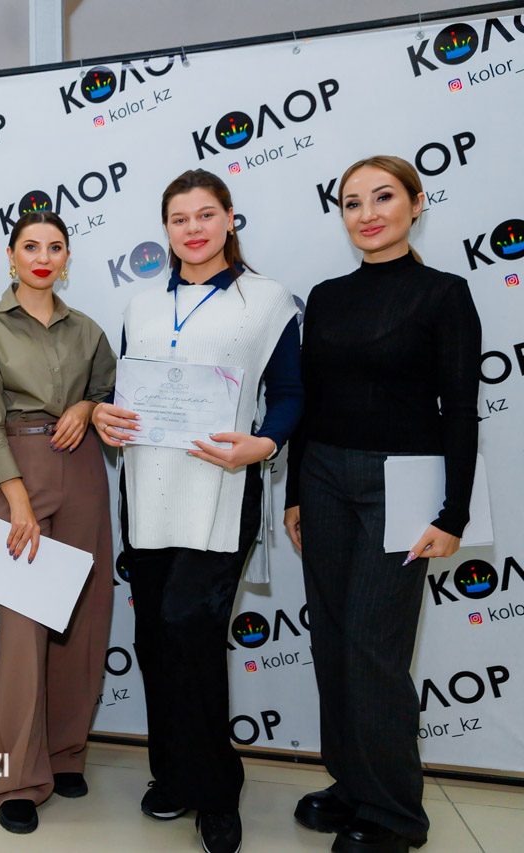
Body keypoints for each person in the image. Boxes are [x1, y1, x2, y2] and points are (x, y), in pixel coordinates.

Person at [94, 169, 302, 853]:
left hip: (222, 490)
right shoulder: (141, 305)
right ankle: (175, 774)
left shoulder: (266, 300)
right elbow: (129, 390)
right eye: (179, 218)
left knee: (192, 627)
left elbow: (290, 393)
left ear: (229, 218)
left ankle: (217, 791)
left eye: (206, 214)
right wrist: (108, 416)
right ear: (166, 228)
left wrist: (265, 442)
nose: (193, 228)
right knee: (154, 636)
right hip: (146, 490)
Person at [284, 156, 481, 853]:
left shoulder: (444, 294)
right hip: (324, 478)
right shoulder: (327, 295)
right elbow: (309, 400)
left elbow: (461, 409)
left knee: (374, 648)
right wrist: (296, 492)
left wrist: (454, 514)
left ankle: (396, 814)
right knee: (333, 639)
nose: (367, 214)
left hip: (404, 486)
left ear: (416, 204)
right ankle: (353, 784)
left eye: (383, 197)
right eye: (352, 202)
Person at [0, 210, 115, 834]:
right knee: (23, 631)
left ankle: (66, 754)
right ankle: (19, 779)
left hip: (82, 468)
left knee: (82, 616)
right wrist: (17, 498)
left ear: (67, 258)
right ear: (11, 255)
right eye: (31, 246)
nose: (43, 257)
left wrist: (87, 405)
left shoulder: (89, 330)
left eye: (54, 247)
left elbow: (109, 394)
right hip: (13, 470)